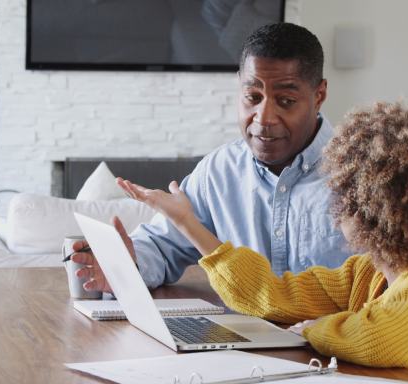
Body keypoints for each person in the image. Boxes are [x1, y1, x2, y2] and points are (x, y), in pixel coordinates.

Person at [118, 102, 408, 384]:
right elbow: (273, 294)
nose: (335, 204)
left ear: (371, 210)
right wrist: (187, 221)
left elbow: (375, 335)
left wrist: (316, 328)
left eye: (343, 193)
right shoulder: (371, 272)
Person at [73, 23, 350, 290]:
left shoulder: (360, 175)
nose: (263, 119)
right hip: (242, 336)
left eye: (286, 101)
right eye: (252, 97)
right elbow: (161, 245)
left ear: (319, 95)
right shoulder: (219, 171)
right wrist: (124, 264)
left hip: (333, 337)